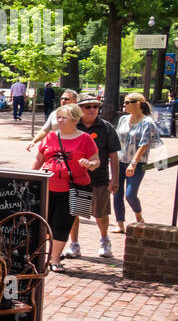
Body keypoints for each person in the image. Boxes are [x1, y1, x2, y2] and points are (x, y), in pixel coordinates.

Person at [32, 103, 99, 272]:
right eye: (58, 117)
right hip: (47, 186)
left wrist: (89, 163)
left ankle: (54, 260)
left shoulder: (85, 139)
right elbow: (40, 159)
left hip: (71, 189)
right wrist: (30, 177)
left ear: (75, 119)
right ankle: (43, 255)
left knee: (61, 224)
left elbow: (96, 161)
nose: (59, 120)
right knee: (43, 222)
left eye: (64, 117)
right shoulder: (50, 136)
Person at [68, 95, 120, 258]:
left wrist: (115, 179)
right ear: (79, 109)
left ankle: (105, 240)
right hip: (75, 179)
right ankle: (74, 244)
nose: (92, 110)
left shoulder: (106, 127)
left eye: (95, 107)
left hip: (99, 179)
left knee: (100, 213)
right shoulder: (73, 126)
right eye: (87, 106)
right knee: (74, 212)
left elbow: (113, 155)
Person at [114, 92, 160, 235]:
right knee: (116, 193)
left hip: (137, 164)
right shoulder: (123, 119)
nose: (124, 105)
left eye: (128, 102)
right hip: (119, 161)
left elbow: (144, 144)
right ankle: (120, 223)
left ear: (138, 104)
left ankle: (138, 215)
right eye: (124, 102)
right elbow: (116, 139)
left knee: (130, 195)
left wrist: (133, 163)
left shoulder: (147, 122)